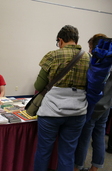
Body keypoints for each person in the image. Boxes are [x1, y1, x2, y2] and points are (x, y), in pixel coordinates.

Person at [33, 25, 90, 171]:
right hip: (78, 112)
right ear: (76, 40)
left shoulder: (53, 55)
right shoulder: (88, 58)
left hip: (51, 112)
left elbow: (39, 85)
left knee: (44, 151)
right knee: (67, 153)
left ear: (60, 40)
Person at [74, 34, 112, 171]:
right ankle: (96, 167)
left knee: (84, 137)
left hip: (93, 105)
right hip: (107, 105)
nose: (89, 51)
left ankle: (77, 166)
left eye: (90, 47)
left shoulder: (98, 63)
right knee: (99, 136)